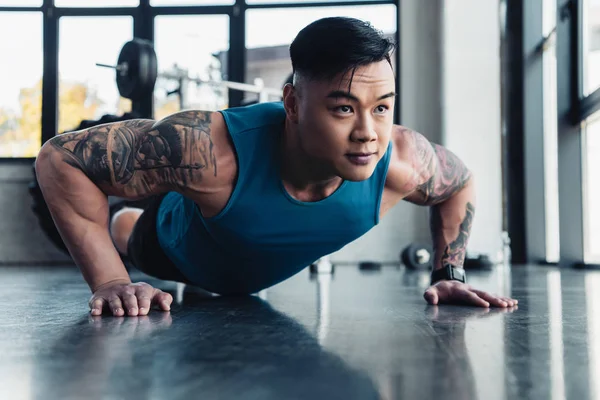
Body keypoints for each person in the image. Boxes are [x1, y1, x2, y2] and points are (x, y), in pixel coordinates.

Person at [35, 17, 518, 317]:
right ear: (291, 101)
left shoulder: (401, 161)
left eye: (383, 107)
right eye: (344, 109)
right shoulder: (207, 151)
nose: (368, 133)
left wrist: (447, 272)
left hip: (243, 271)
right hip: (173, 248)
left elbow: (461, 182)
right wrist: (112, 280)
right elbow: (59, 159)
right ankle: (125, 219)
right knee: (133, 231)